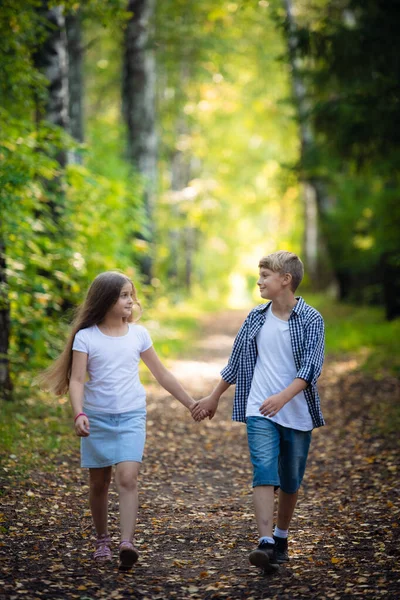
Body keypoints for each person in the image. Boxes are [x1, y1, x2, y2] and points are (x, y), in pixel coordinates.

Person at [41, 271, 208, 570]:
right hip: (96, 419)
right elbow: (77, 380)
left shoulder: (139, 334)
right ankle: (102, 539)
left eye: (132, 295)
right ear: (106, 300)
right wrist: (78, 413)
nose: (131, 301)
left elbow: (162, 374)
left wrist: (190, 403)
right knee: (99, 483)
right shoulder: (86, 337)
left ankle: (126, 543)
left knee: (128, 478)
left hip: (131, 416)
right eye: (124, 296)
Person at [191, 251, 325, 574]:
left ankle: (281, 537)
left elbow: (311, 368)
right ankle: (265, 542)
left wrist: (283, 397)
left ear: (285, 280)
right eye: (259, 274)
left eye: (265, 275)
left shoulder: (311, 319)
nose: (259, 281)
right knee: (264, 468)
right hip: (259, 408)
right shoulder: (255, 317)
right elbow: (236, 361)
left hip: (296, 411)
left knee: (291, 479)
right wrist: (213, 396)